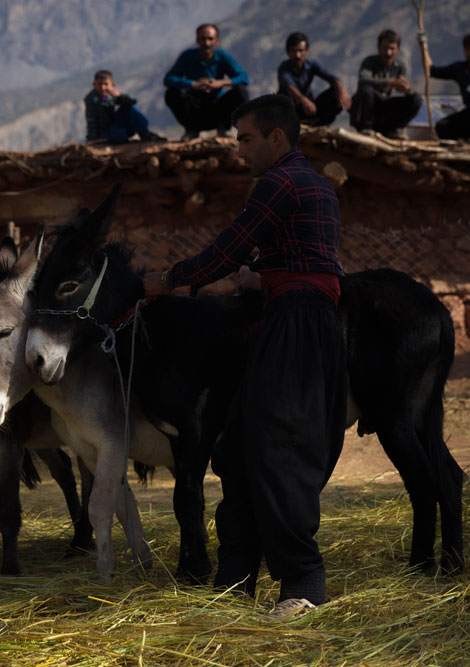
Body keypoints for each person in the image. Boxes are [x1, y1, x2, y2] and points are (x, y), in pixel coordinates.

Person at [142, 94, 347, 620]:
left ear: (277, 137)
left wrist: (162, 281)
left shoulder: (277, 183)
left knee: (279, 447)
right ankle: (234, 581)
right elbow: (303, 260)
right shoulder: (319, 187)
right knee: (236, 449)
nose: (239, 149)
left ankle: (302, 584)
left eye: (246, 138)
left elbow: (226, 252)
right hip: (303, 320)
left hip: (295, 326)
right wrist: (265, 274)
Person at [163, 24, 250, 140]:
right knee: (171, 93)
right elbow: (169, 79)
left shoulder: (223, 57)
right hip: (195, 111)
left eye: (210, 39)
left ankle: (224, 127)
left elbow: (243, 77)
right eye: (203, 39)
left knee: (241, 91)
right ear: (197, 40)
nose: (207, 43)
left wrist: (221, 83)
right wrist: (193, 84)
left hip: (218, 110)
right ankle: (191, 129)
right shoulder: (187, 57)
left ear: (217, 41)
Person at [350, 29, 423, 138]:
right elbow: (363, 79)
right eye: (385, 48)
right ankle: (366, 128)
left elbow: (407, 86)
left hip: (385, 108)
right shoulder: (370, 62)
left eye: (392, 49)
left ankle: (394, 129)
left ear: (398, 49)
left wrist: (406, 89)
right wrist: (389, 82)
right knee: (367, 89)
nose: (388, 53)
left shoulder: (400, 66)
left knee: (416, 99)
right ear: (379, 47)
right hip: (367, 107)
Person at [277, 32, 351, 127]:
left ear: (306, 51)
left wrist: (341, 91)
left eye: (300, 51)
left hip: (310, 108)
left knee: (335, 94)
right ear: (288, 52)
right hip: (294, 110)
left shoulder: (311, 64)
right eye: (294, 51)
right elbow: (290, 87)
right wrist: (303, 99)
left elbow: (332, 78)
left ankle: (321, 125)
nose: (297, 55)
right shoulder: (283, 68)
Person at [84, 69, 164, 144]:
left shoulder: (111, 95)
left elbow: (133, 101)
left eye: (106, 84)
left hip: (116, 126)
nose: (103, 87)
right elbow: (92, 122)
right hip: (105, 133)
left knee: (131, 107)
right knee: (117, 135)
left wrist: (119, 96)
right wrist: (93, 140)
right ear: (94, 85)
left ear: (112, 85)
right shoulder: (91, 99)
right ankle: (125, 142)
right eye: (99, 84)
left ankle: (145, 134)